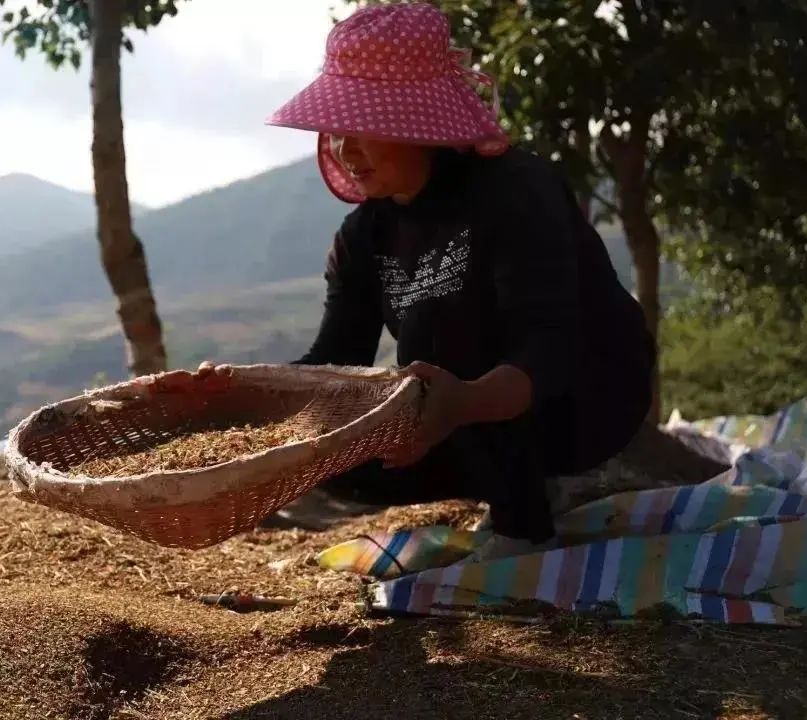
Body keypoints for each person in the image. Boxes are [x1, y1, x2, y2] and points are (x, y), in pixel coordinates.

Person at [156, 2, 654, 561]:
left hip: (587, 397)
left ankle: (527, 524)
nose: (345, 149)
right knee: (322, 452)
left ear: (416, 122)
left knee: (452, 348)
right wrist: (236, 397)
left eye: (361, 126)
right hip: (461, 410)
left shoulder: (515, 191)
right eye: (336, 129)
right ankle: (516, 482)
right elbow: (334, 361)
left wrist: (463, 401)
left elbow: (551, 346)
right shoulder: (364, 236)